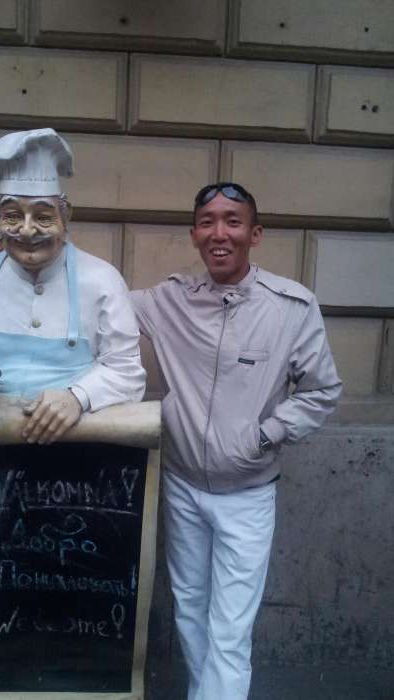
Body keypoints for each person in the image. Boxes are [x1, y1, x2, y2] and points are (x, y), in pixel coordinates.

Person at [131, 182, 342, 700]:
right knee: (190, 609)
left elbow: (321, 391)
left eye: (232, 221)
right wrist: (20, 257)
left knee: (229, 629)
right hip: (183, 486)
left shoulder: (291, 307)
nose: (219, 233)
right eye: (207, 222)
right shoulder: (171, 301)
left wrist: (264, 437)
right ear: (194, 235)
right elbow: (97, 300)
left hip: (247, 494)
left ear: (255, 233)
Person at [0, 128, 145, 445]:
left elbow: (128, 372)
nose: (26, 231)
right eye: (13, 216)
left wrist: (77, 396)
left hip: (80, 449)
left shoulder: (102, 279)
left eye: (42, 217)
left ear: (65, 218)